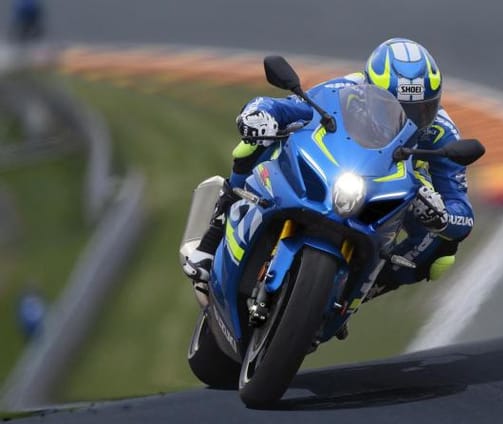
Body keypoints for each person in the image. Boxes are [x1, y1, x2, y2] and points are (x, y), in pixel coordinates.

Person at [183, 38, 475, 308]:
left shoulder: (442, 132)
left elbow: (461, 211)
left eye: (421, 110)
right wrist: (258, 114)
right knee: (253, 144)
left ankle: (365, 287)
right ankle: (213, 238)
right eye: (397, 109)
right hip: (344, 168)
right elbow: (286, 108)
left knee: (443, 252)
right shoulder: (345, 90)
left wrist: (441, 216)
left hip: (398, 189)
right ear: (371, 89)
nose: (410, 120)